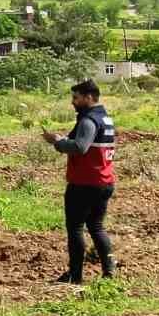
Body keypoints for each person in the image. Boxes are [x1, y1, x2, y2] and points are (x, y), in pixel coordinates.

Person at [41, 78, 116, 284]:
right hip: (104, 181)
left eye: (76, 98)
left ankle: (75, 276)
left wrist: (57, 142)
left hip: (84, 183)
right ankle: (109, 272)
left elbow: (81, 147)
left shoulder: (88, 120)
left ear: (89, 97)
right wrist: (63, 140)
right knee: (96, 227)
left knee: (75, 228)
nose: (73, 102)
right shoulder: (105, 119)